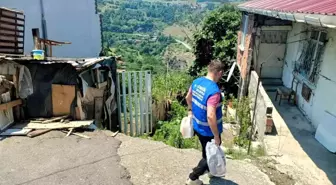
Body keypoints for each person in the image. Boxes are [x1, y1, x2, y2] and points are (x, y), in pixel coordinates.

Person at [185, 59, 225, 185]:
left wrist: (190, 111)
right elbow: (211, 116)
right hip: (208, 131)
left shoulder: (197, 82)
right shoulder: (214, 91)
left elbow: (188, 98)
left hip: (197, 126)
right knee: (209, 156)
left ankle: (210, 170)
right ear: (219, 73)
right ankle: (193, 178)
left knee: (206, 151)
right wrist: (217, 136)